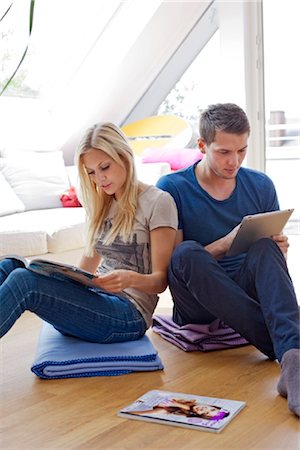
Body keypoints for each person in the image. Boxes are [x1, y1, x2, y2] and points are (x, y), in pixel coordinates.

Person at [156, 103, 300, 417]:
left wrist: (276, 250)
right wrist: (225, 243)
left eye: (242, 151)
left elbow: (270, 264)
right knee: (186, 251)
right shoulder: (172, 188)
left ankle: (293, 361)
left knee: (265, 245)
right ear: (202, 146)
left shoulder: (260, 185)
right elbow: (173, 269)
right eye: (223, 152)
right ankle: (287, 344)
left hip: (244, 294)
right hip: (196, 301)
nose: (234, 161)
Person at [0, 122, 178, 345]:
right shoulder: (102, 204)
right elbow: (85, 270)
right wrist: (62, 275)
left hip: (128, 314)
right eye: (91, 172)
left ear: (124, 157)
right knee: (11, 265)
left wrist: (130, 278)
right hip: (96, 302)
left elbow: (160, 281)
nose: (99, 179)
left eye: (105, 167)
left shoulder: (158, 202)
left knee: (23, 281)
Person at [130, 398, 230, 421]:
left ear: (197, 414)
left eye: (204, 413)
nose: (204, 409)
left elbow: (134, 413)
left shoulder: (167, 411)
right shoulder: (191, 400)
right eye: (211, 409)